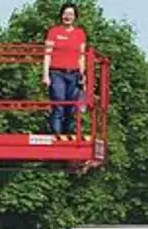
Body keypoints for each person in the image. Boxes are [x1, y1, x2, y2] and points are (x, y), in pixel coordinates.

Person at [42, 3, 86, 137]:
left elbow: (82, 56)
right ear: (61, 15)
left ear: (75, 17)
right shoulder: (54, 32)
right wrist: (45, 75)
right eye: (65, 14)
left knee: (72, 107)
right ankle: (56, 135)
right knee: (59, 103)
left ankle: (69, 135)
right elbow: (47, 54)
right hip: (57, 73)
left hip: (74, 74)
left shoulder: (80, 33)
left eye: (71, 14)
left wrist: (83, 76)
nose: (68, 17)